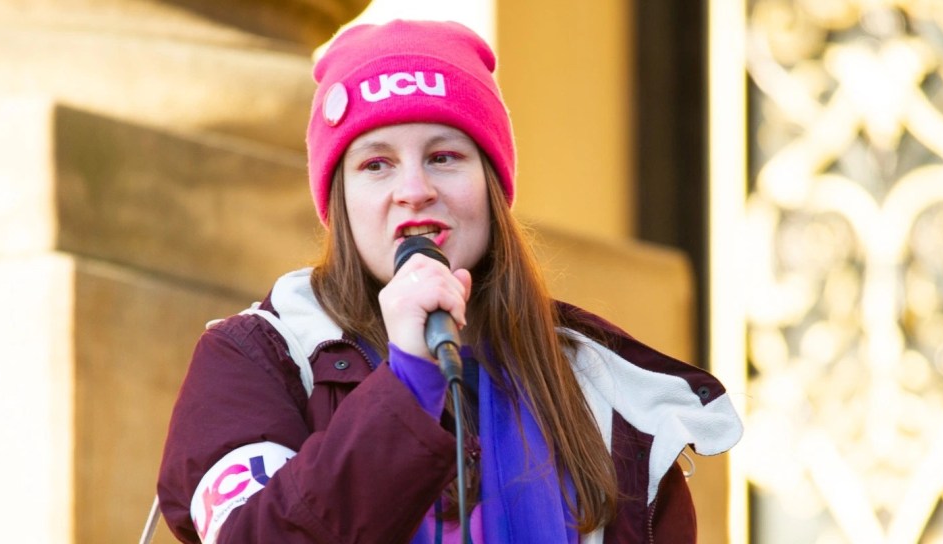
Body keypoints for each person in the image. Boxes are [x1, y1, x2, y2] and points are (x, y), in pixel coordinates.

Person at [157, 19, 742, 544]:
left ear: (491, 188)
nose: (414, 189)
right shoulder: (255, 360)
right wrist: (408, 384)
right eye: (375, 164)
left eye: (444, 157)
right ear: (339, 201)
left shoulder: (607, 394)